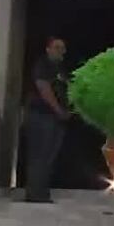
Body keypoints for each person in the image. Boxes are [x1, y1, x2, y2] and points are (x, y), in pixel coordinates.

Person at [24, 36, 69, 203]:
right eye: (57, 47)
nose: (61, 51)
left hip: (55, 119)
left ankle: (41, 192)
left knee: (48, 157)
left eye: (62, 48)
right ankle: (35, 193)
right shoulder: (43, 65)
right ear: (48, 49)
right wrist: (58, 110)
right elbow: (44, 89)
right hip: (42, 116)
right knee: (39, 155)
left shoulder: (60, 69)